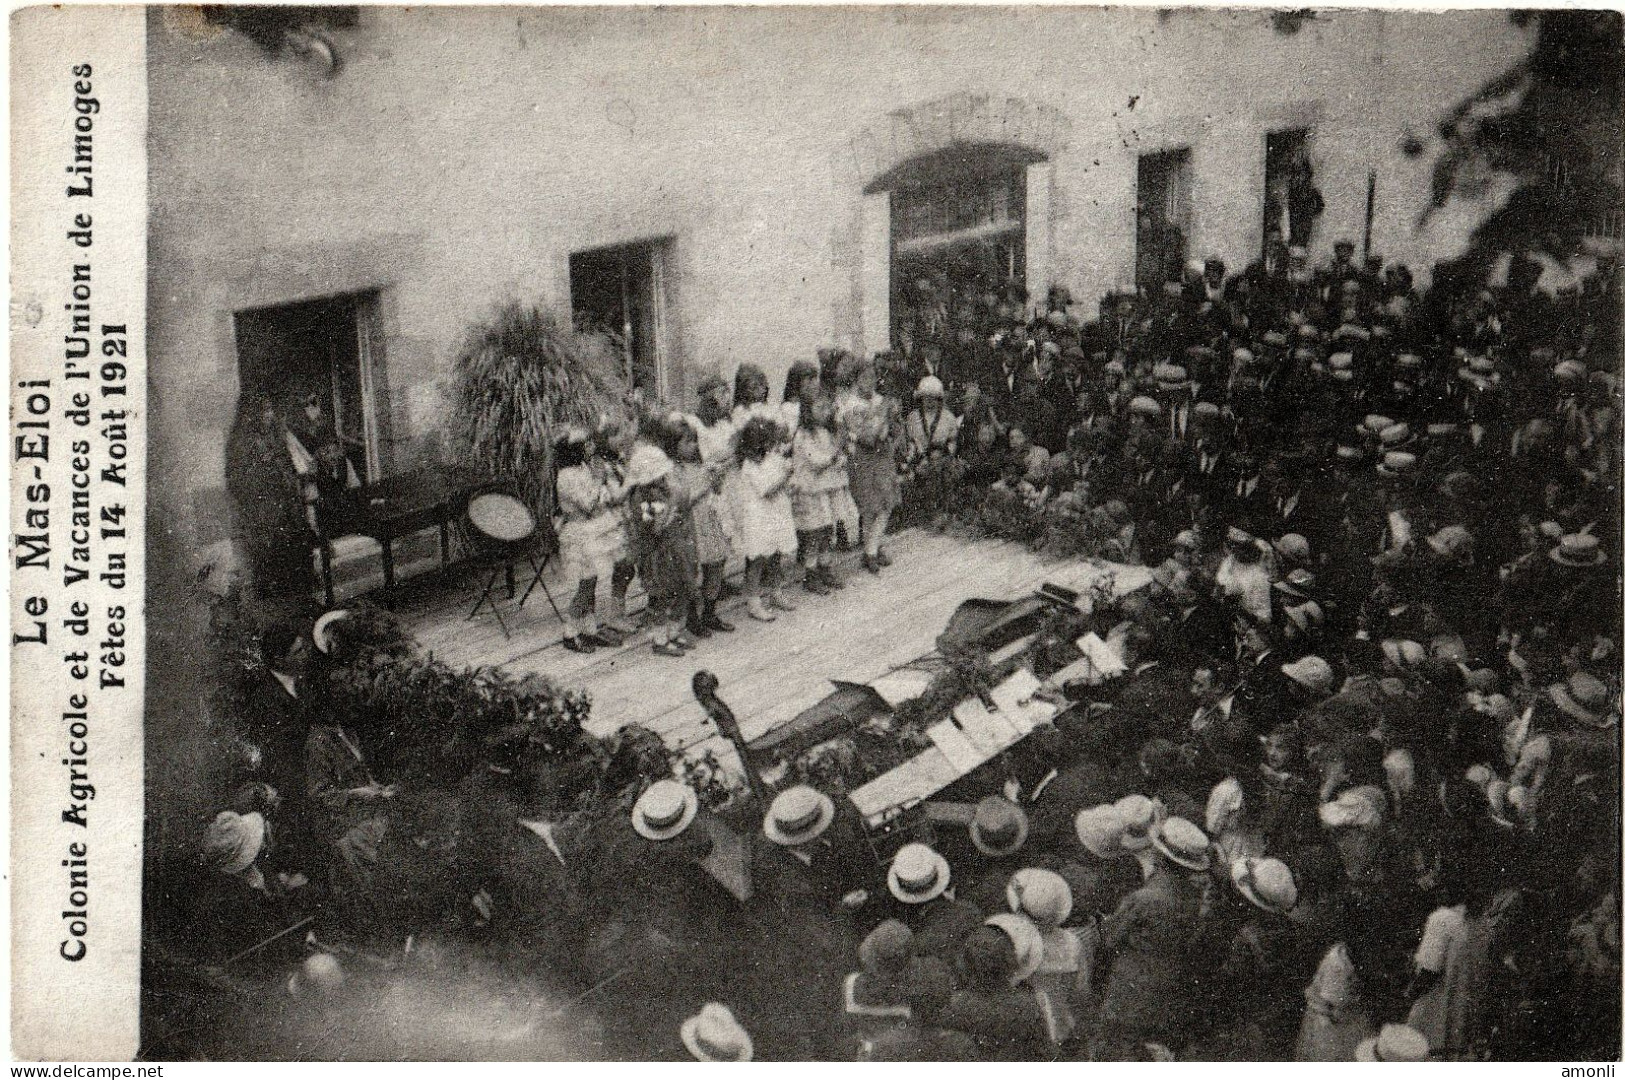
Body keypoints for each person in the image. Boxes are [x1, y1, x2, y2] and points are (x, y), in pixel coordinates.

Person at [554, 428, 629, 653]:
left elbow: (600, 499)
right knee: (585, 584)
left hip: (591, 529)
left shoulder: (583, 468)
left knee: (592, 580)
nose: (591, 447)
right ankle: (570, 631)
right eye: (585, 445)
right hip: (578, 533)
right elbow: (587, 504)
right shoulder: (566, 476)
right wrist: (599, 481)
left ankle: (589, 629)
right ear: (573, 450)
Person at [624, 435, 698, 657]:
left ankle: (674, 631)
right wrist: (668, 515)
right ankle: (659, 638)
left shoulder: (663, 491)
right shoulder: (641, 498)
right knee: (660, 596)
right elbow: (652, 528)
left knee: (679, 589)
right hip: (656, 553)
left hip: (672, 549)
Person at [836, 355, 901, 574]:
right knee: (869, 507)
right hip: (863, 458)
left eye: (873, 377)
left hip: (883, 457)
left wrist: (892, 421)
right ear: (855, 379)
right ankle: (871, 550)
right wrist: (882, 417)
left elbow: (891, 430)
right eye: (864, 377)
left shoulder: (880, 400)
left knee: (885, 504)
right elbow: (865, 436)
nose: (870, 381)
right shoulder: (850, 405)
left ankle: (873, 548)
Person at [734, 415, 799, 622]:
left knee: (776, 556)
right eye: (769, 440)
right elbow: (767, 490)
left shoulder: (771, 459)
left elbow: (779, 484)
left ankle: (776, 592)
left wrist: (789, 482)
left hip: (775, 513)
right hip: (758, 517)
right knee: (757, 560)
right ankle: (754, 602)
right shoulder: (749, 466)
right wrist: (786, 476)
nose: (773, 445)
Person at [790, 395, 845, 595]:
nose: (825, 412)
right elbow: (816, 461)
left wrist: (839, 458)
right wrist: (835, 455)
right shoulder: (804, 435)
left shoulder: (825, 432)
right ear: (807, 411)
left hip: (826, 489)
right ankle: (810, 574)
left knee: (826, 531)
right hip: (810, 491)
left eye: (827, 408)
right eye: (819, 407)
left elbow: (836, 458)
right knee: (814, 533)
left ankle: (825, 569)